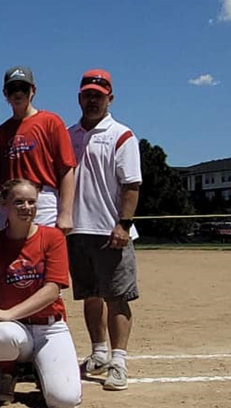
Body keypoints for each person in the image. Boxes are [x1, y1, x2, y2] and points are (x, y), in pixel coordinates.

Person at [67, 69, 142, 391]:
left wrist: (123, 224)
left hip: (110, 230)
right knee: (90, 296)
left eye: (99, 94)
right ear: (79, 97)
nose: (92, 99)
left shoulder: (122, 135)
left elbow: (131, 184)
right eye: (87, 94)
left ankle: (119, 360)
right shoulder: (68, 135)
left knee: (117, 297)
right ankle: (98, 353)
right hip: (76, 229)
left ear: (110, 98)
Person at [0, 178, 81, 408]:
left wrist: (8, 313)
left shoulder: (52, 237)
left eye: (31, 202)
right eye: (18, 202)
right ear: (4, 204)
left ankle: (40, 367)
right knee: (1, 335)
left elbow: (53, 289)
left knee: (64, 402)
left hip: (49, 327)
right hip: (15, 329)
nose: (26, 207)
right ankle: (9, 372)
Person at [0, 66, 77, 231]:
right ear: (5, 93)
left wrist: (66, 213)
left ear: (33, 90)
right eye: (12, 89)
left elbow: (66, 169)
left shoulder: (50, 122)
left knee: (43, 253)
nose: (18, 93)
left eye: (23, 88)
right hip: (11, 200)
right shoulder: (2, 131)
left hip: (42, 200)